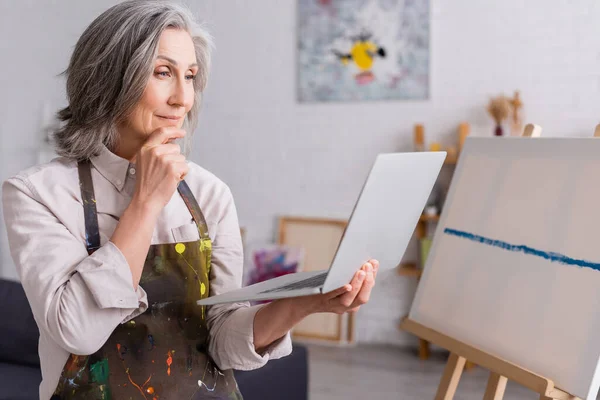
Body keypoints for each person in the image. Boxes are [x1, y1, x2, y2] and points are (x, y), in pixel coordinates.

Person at [1, 1, 379, 399]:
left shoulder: (210, 194)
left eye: (191, 76)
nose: (183, 98)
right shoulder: (37, 193)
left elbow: (221, 342)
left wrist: (304, 304)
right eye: (163, 73)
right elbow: (76, 330)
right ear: (109, 77)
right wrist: (145, 204)